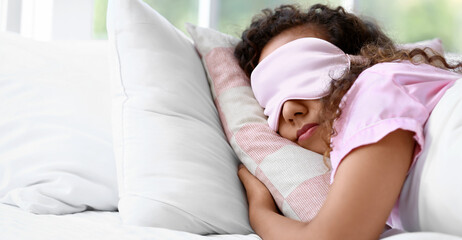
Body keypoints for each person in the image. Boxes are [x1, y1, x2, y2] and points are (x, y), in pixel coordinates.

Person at [234, 4, 462, 240]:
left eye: (302, 73)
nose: (289, 109)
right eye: (269, 101)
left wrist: (259, 209)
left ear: (360, 60)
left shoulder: (375, 86)